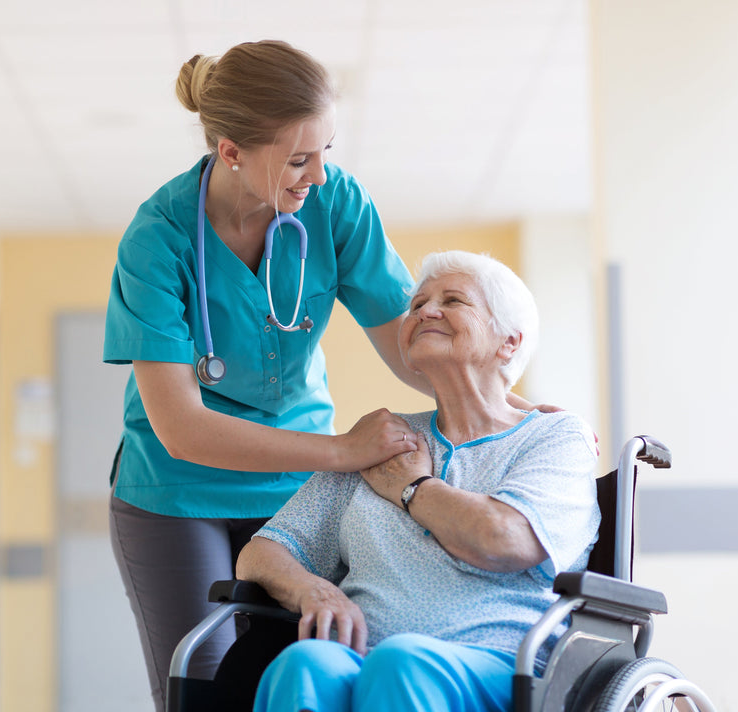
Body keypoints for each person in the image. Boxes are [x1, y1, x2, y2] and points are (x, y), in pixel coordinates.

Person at [103, 41, 540, 711]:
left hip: (295, 489)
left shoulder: (335, 206)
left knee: (306, 669)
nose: (318, 177)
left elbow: (412, 345)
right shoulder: (158, 239)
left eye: (326, 153)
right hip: (176, 492)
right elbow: (183, 429)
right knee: (206, 688)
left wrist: (519, 415)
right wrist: (341, 452)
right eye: (299, 160)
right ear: (231, 152)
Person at [236, 250, 601, 712]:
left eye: (453, 300)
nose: (425, 310)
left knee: (401, 662)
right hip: (364, 659)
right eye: (417, 304)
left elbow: (505, 538)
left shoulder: (553, 436)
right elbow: (263, 552)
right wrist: (313, 589)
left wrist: (415, 490)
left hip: (503, 665)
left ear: (508, 342)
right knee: (306, 664)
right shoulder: (381, 440)